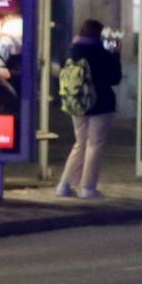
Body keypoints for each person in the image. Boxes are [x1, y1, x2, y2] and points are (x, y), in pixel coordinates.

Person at [55, 20, 122, 199]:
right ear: (99, 35)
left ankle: (65, 184)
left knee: (80, 143)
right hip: (100, 103)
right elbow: (115, 78)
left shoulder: (70, 51)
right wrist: (115, 54)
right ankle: (88, 188)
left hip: (76, 104)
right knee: (95, 145)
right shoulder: (101, 53)